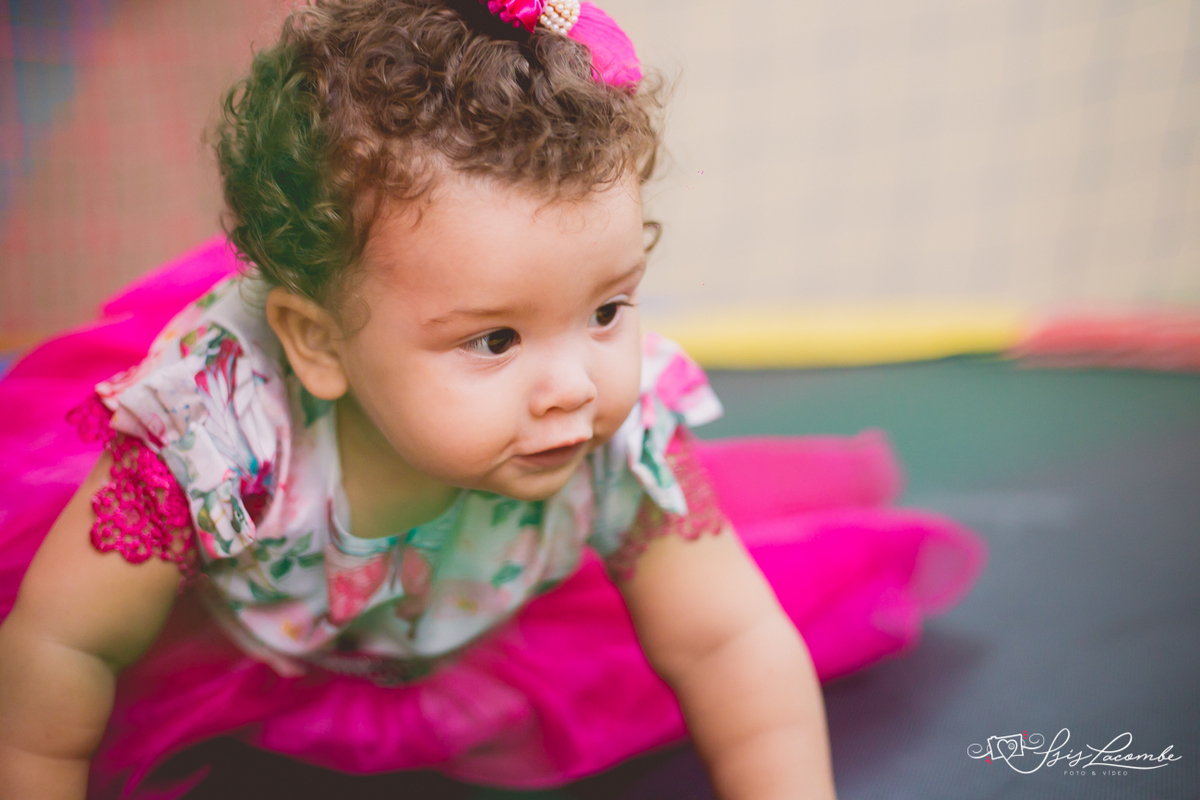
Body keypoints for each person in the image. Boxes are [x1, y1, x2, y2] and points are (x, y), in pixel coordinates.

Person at [0, 1, 986, 798]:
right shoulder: (216, 430)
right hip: (228, 654)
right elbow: (60, 648)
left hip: (465, 640)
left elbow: (728, 638)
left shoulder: (618, 425)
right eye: (496, 340)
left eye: (607, 309)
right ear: (319, 344)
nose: (574, 386)